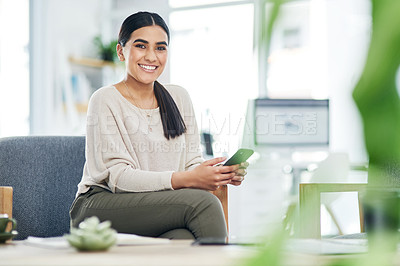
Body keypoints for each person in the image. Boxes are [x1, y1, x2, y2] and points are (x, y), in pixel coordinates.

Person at [69, 11, 248, 240]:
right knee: (203, 203)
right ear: (121, 51)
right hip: (99, 205)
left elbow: (191, 162)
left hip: (154, 204)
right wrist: (188, 179)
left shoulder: (178, 97)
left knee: (183, 238)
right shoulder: (105, 99)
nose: (151, 57)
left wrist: (216, 173)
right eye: (141, 46)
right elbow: (119, 179)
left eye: (160, 48)